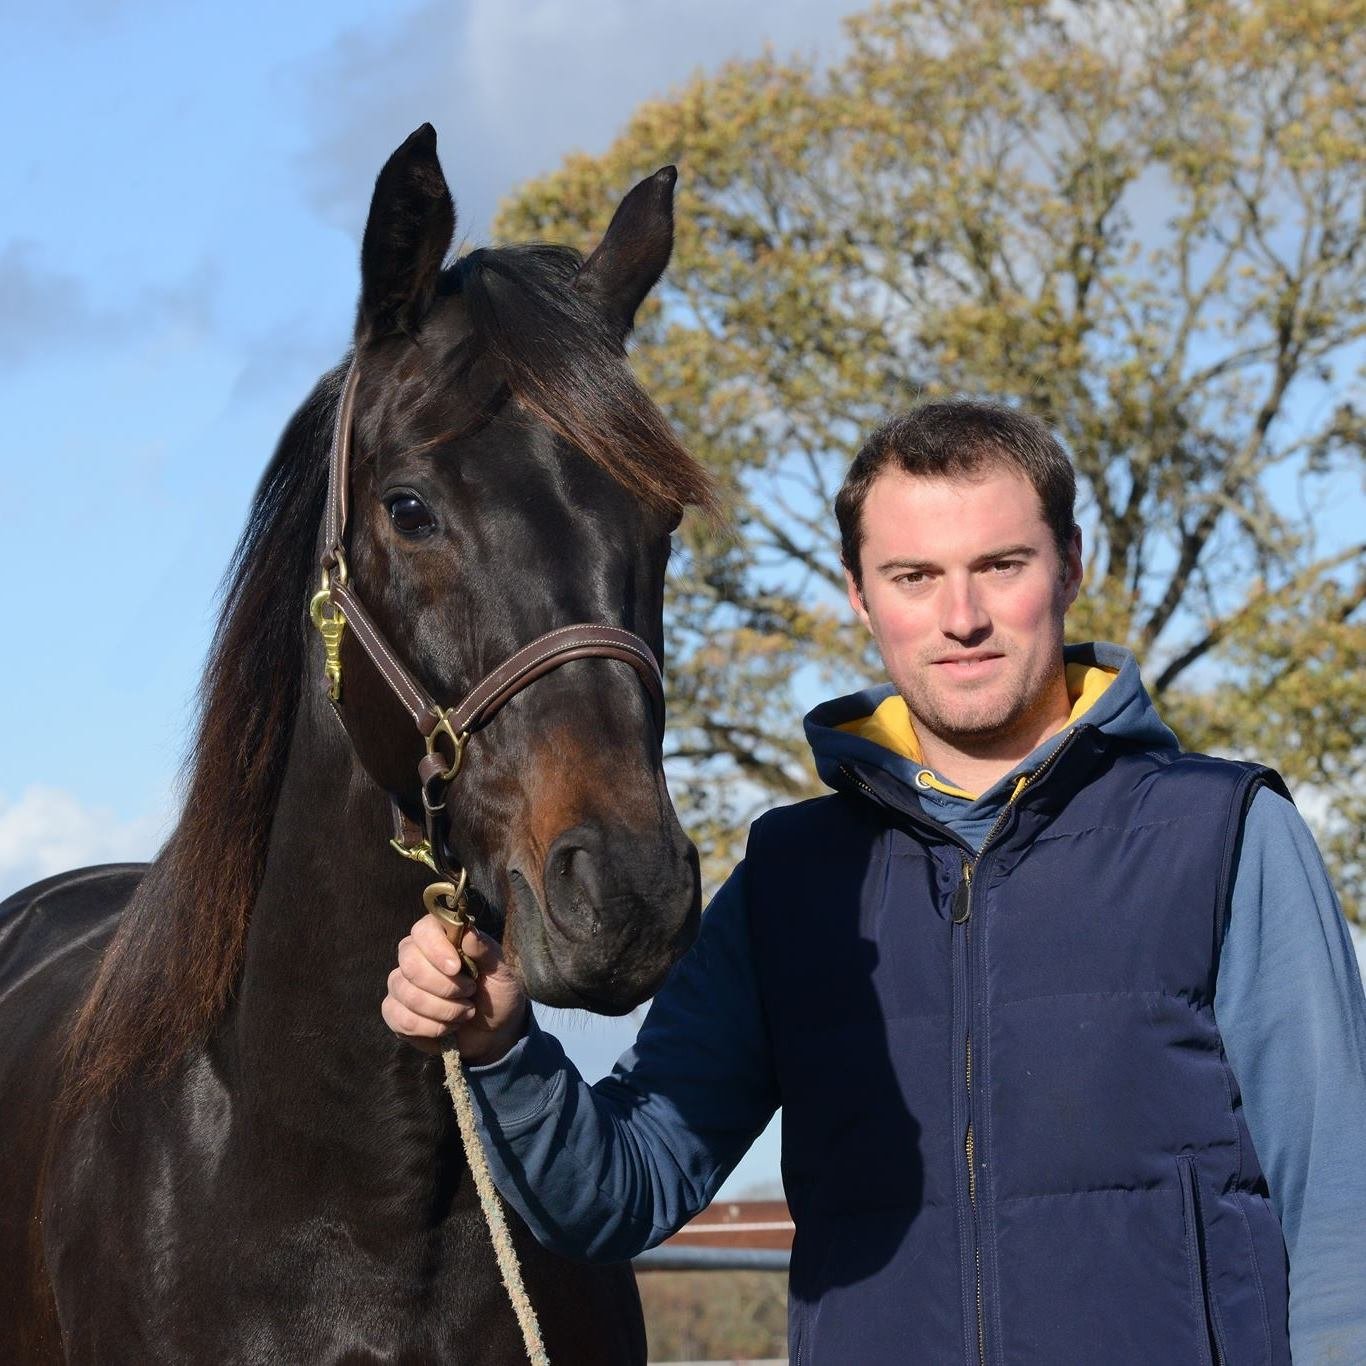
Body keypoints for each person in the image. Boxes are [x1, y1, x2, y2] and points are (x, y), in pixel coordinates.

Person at [383, 402, 1366, 1363]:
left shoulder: (1225, 835)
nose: (962, 617)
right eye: (914, 576)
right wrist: (503, 1045)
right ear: (859, 593)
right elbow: (620, 1192)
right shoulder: (789, 881)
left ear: (1069, 566)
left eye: (1001, 566)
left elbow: (1341, 1212)